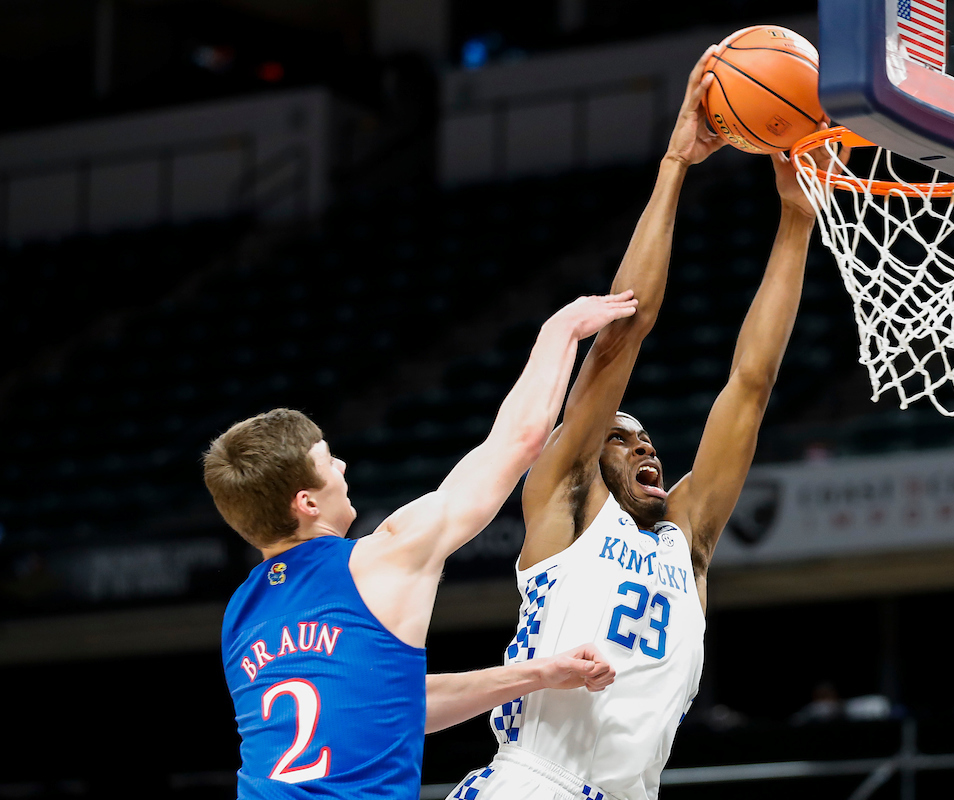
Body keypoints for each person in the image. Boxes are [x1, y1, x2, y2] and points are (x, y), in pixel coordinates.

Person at [452, 46, 827, 800]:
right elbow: (626, 329)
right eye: (618, 438)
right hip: (535, 785)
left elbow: (749, 387)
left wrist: (794, 224)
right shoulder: (566, 505)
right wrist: (676, 165)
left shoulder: (685, 544)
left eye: (646, 437)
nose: (642, 444)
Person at [208, 291, 638, 799]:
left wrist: (540, 672)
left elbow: (392, 706)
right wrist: (560, 331)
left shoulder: (240, 616)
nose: (342, 467)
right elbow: (520, 441)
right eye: (328, 461)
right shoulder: (385, 555)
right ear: (306, 502)